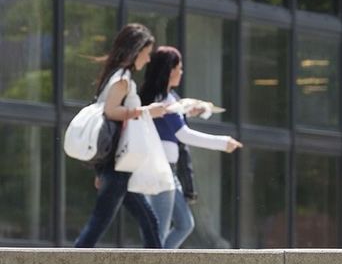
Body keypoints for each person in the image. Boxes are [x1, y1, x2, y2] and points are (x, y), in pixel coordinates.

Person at [74, 23, 166, 248]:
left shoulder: (115, 76)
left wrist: (100, 171)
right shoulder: (122, 79)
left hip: (117, 165)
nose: (148, 59)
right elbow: (110, 112)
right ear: (136, 51)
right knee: (100, 223)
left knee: (148, 221)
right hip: (117, 166)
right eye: (147, 53)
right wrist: (146, 111)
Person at [141, 46, 242, 248]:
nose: (181, 72)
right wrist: (223, 143)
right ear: (169, 70)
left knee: (185, 224)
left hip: (169, 171)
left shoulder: (170, 98)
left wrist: (192, 111)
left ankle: (158, 263)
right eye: (179, 68)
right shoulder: (162, 100)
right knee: (159, 232)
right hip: (159, 171)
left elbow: (177, 118)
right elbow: (184, 135)